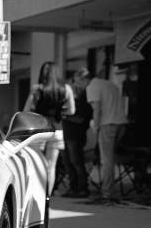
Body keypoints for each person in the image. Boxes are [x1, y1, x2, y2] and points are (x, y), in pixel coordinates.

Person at [23, 61, 75, 196]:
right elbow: (72, 111)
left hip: (39, 129)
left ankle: (35, 195)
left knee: (35, 163)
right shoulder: (66, 89)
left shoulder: (37, 89)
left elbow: (26, 110)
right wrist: (60, 111)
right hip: (57, 130)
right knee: (50, 167)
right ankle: (47, 199)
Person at [86, 66, 127, 203]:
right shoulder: (110, 84)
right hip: (121, 123)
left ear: (83, 79)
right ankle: (108, 189)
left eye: (77, 82)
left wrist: (95, 127)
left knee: (106, 160)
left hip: (107, 124)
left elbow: (97, 109)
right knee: (110, 158)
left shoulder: (92, 86)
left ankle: (107, 193)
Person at [60, 68, 93, 198]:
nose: (75, 84)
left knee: (77, 162)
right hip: (65, 135)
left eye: (78, 81)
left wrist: (66, 116)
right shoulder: (68, 101)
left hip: (76, 136)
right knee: (67, 163)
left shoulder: (86, 99)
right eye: (74, 81)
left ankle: (83, 189)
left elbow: (82, 119)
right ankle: (72, 188)